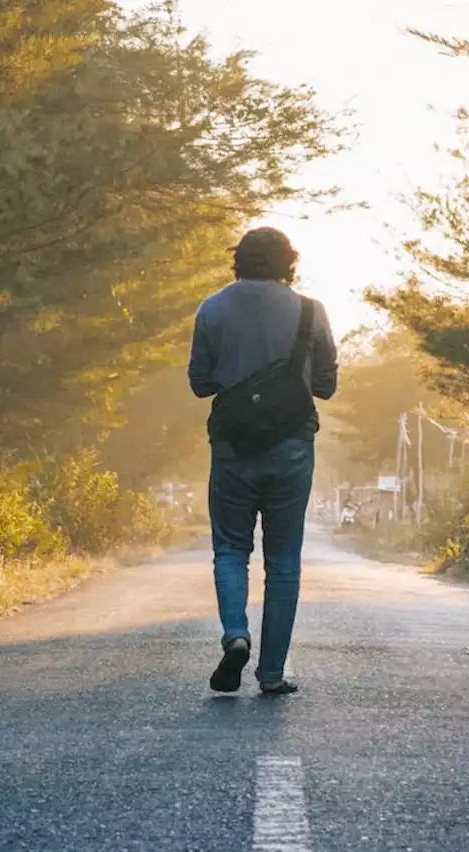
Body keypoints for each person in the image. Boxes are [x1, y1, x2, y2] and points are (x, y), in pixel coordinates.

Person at [187, 227, 338, 695]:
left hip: (232, 447)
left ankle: (236, 634)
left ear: (238, 261)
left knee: (231, 549)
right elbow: (327, 386)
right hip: (292, 447)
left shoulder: (211, 309)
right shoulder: (311, 312)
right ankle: (272, 673)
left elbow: (200, 383)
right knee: (284, 559)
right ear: (288, 263)